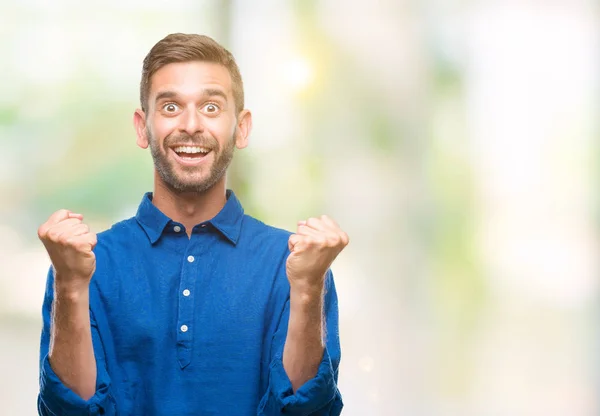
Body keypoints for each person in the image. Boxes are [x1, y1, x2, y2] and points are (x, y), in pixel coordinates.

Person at [36, 33, 348, 416]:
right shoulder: (83, 264)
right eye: (170, 106)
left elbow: (308, 412)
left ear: (242, 127)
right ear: (141, 127)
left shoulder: (296, 265)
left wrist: (306, 289)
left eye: (212, 107)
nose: (191, 124)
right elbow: (66, 412)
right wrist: (69, 285)